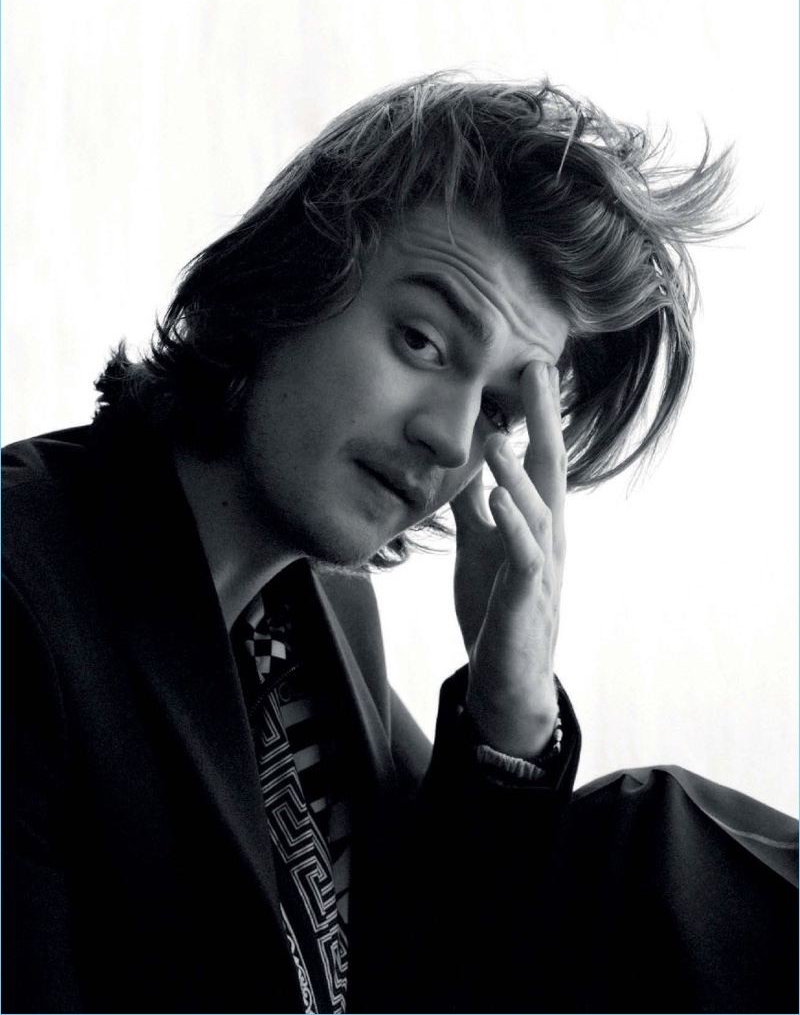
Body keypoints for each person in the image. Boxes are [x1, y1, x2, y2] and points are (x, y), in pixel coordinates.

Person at [3, 74, 797, 1015]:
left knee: (652, 845)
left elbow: (444, 963)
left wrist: (511, 703)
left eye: (498, 408)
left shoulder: (317, 609)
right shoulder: (24, 598)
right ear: (290, 280)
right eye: (422, 340)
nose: (452, 441)